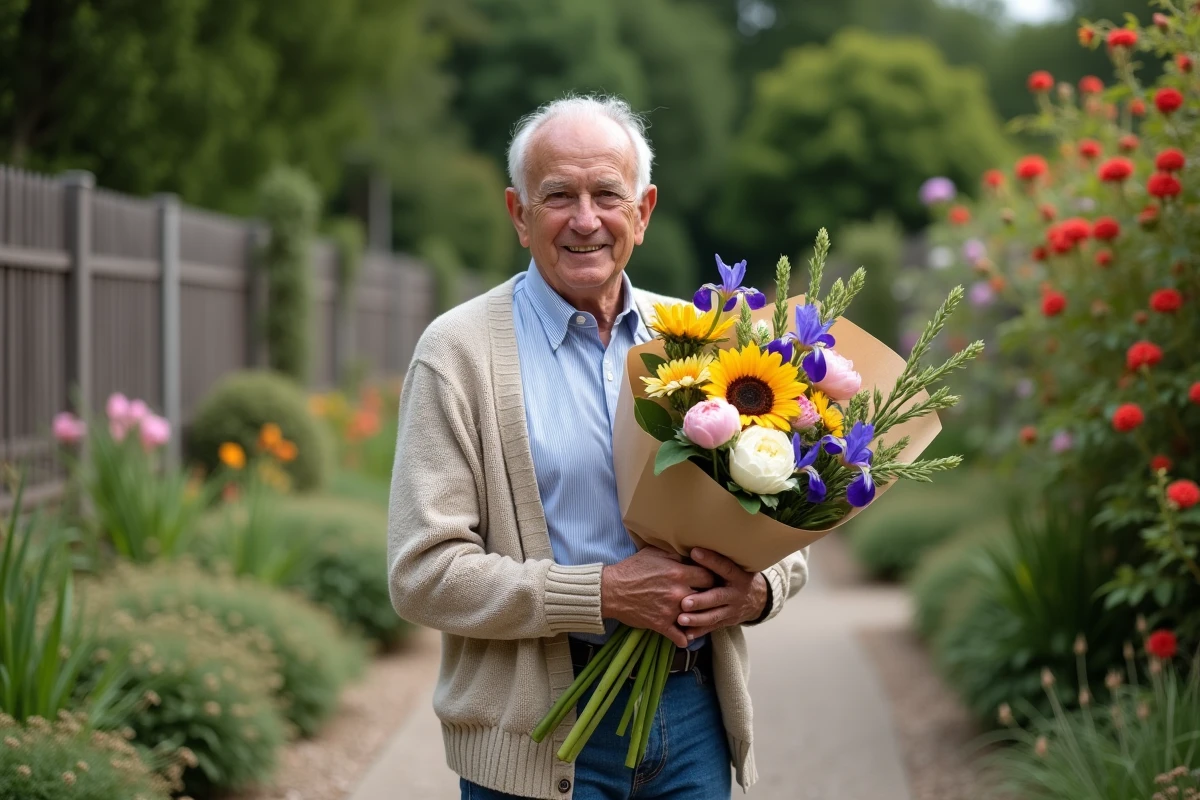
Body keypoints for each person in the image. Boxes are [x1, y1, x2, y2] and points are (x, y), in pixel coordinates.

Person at [387, 94, 809, 800]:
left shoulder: (705, 341)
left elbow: (785, 521)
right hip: (542, 727)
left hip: (694, 717)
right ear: (519, 215)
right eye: (558, 195)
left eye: (606, 194)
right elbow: (423, 573)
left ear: (642, 212)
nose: (585, 219)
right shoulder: (457, 353)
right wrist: (605, 593)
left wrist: (758, 591)